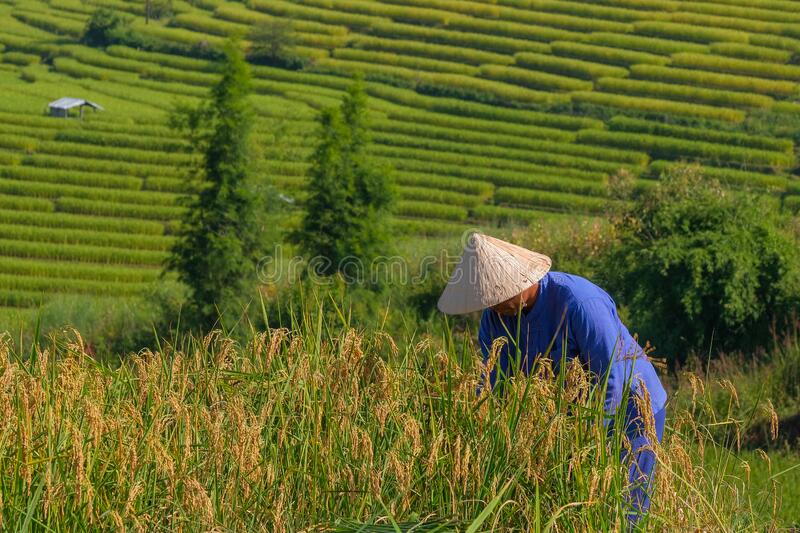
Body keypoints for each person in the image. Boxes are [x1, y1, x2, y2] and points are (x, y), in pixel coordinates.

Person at [437, 232, 667, 523]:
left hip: (630, 406)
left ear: (519, 281)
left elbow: (611, 377)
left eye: (498, 297)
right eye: (489, 301)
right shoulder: (495, 319)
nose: (496, 308)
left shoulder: (580, 303)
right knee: (572, 504)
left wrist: (592, 439)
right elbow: (494, 382)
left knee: (623, 504)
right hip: (566, 415)